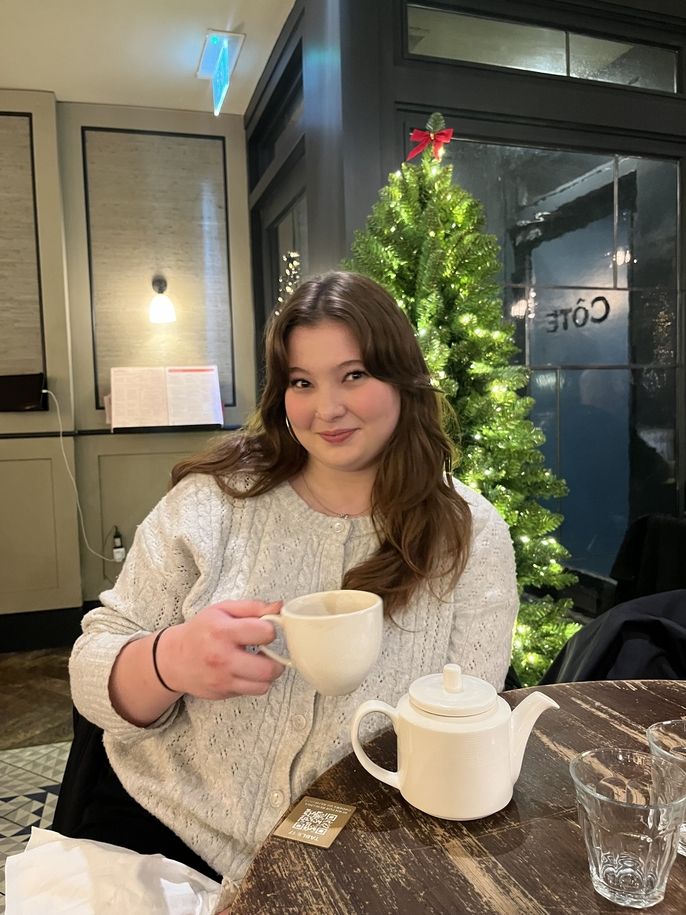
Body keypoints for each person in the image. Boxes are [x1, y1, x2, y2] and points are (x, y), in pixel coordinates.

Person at [68, 271, 518, 912]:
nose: (325, 408)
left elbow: (467, 726)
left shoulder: (468, 536)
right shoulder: (215, 502)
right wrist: (170, 660)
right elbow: (90, 673)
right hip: (169, 843)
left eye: (354, 375)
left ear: (402, 379)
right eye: (301, 382)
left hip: (369, 862)